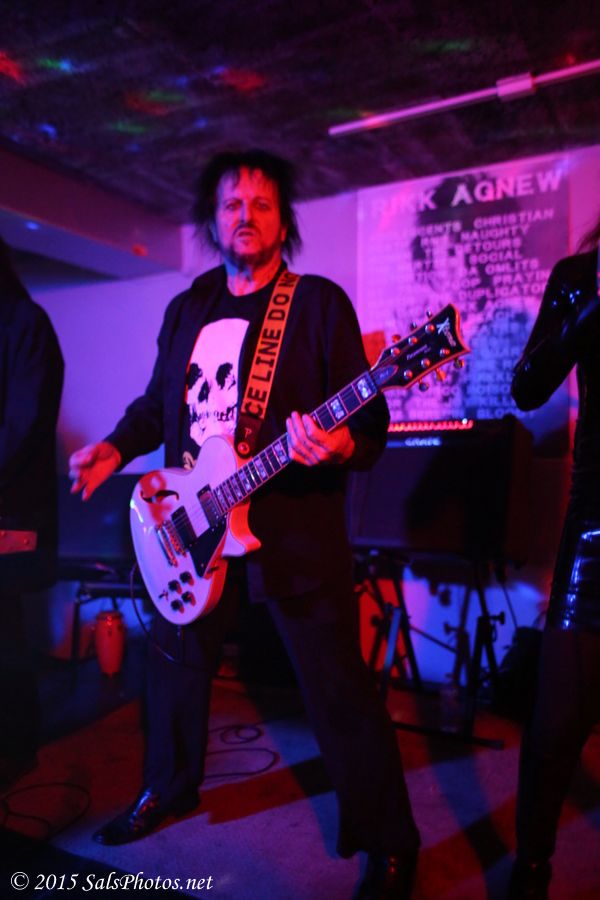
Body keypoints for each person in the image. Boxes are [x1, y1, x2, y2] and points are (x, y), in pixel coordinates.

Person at [69, 150, 420, 899]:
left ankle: (389, 841)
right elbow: (156, 405)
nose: (246, 216)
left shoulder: (317, 305)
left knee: (339, 692)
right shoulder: (187, 309)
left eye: (262, 204)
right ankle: (167, 789)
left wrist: (338, 444)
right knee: (171, 671)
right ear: (214, 219)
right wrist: (114, 448)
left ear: (283, 223)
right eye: (233, 204)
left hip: (293, 534)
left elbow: (370, 423)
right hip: (191, 523)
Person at [509, 218, 600, 899]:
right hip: (598, 520)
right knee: (558, 715)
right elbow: (528, 387)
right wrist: (589, 311)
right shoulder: (579, 276)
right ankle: (531, 868)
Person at [0, 236, 64, 788]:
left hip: (12, 514)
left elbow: (23, 427)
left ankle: (16, 751)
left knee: (5, 636)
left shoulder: (26, 323)